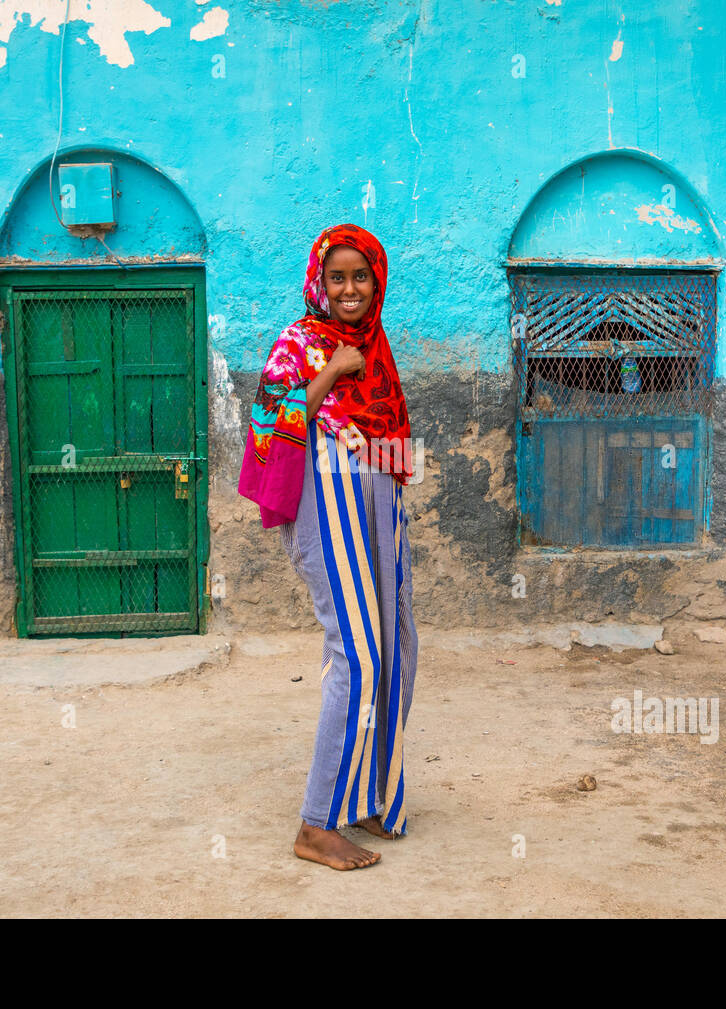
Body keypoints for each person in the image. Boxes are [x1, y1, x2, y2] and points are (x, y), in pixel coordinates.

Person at [237, 223, 417, 871]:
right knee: (359, 654)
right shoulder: (301, 342)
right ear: (320, 280)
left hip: (377, 507)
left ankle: (367, 792)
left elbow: (390, 425)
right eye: (337, 276)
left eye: (360, 276)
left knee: (397, 646)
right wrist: (334, 371)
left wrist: (394, 493)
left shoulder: (377, 341)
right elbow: (267, 422)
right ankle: (316, 824)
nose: (348, 288)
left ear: (376, 281)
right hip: (324, 505)